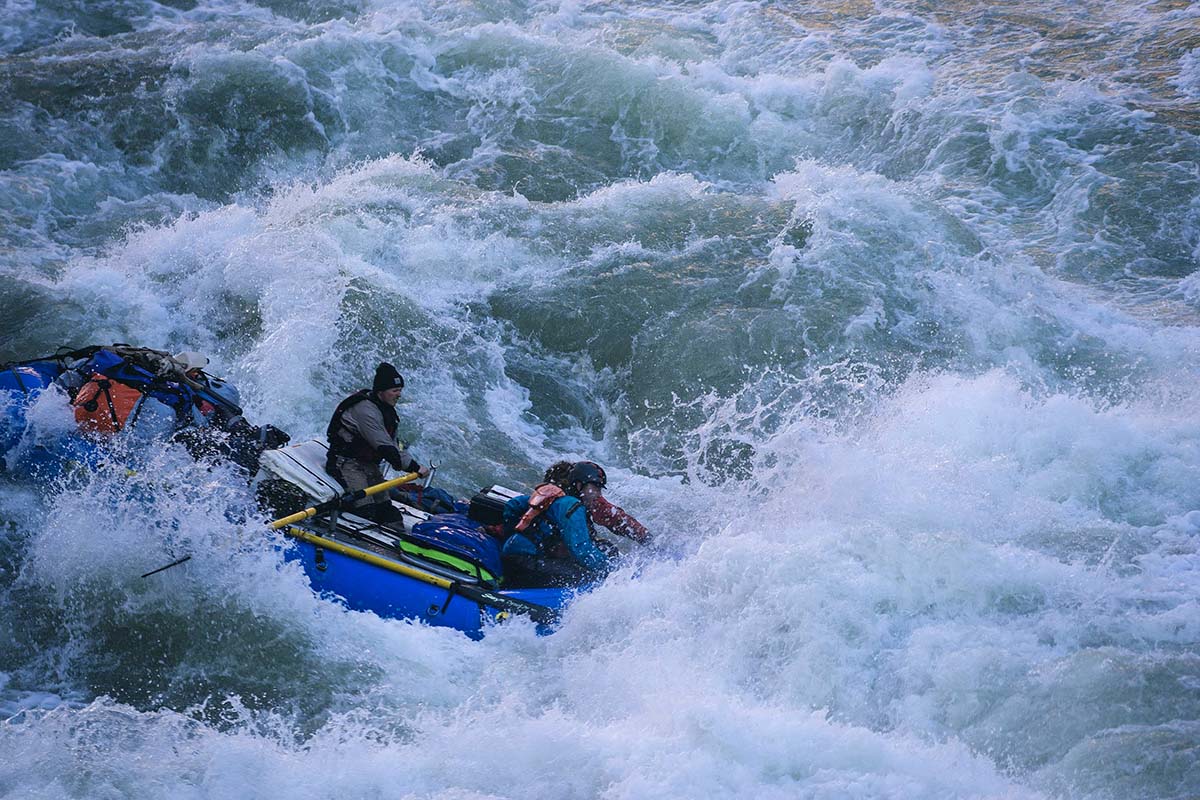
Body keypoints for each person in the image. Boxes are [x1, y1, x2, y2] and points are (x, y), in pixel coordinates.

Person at [499, 460, 649, 587]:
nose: (598, 495)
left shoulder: (546, 499)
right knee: (590, 578)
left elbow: (513, 506)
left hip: (515, 557)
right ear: (578, 486)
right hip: (526, 563)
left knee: (605, 548)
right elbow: (582, 550)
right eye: (595, 488)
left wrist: (506, 534)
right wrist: (615, 573)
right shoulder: (572, 505)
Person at [325, 362, 441, 522]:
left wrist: (409, 463)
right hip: (346, 464)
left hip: (368, 466)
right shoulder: (365, 410)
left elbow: (392, 444)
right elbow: (386, 448)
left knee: (388, 511)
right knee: (365, 510)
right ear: (380, 392)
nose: (399, 395)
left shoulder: (386, 410)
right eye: (395, 391)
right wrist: (414, 467)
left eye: (400, 390)